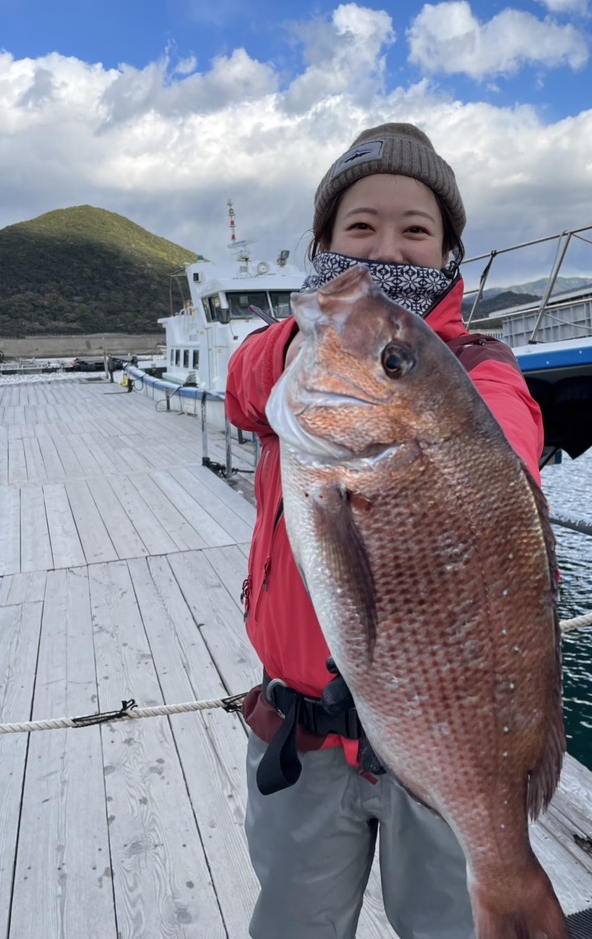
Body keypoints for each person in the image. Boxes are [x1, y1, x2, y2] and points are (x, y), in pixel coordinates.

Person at [225, 122, 545, 939]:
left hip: (448, 747)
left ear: (446, 255)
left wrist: (431, 426)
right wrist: (337, 328)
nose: (389, 249)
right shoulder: (297, 360)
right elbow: (246, 386)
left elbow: (505, 440)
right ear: (324, 241)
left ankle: (506, 883)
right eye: (361, 227)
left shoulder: (478, 369)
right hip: (302, 735)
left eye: (416, 230)